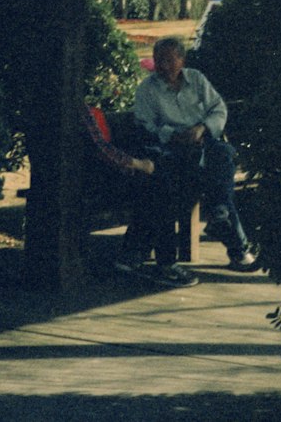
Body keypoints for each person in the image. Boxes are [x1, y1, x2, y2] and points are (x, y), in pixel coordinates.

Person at [133, 36, 260, 272]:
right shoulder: (148, 89)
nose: (163, 66)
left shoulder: (196, 79)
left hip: (203, 142)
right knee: (210, 183)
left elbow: (218, 108)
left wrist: (202, 128)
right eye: (159, 60)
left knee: (222, 154)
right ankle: (238, 247)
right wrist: (172, 134)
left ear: (182, 60)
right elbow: (144, 124)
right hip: (172, 150)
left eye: (169, 60)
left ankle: (221, 215)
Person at [81, 103, 197, 287]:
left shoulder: (80, 109)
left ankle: (133, 253)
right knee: (160, 191)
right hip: (98, 180)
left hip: (107, 174)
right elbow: (101, 148)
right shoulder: (79, 111)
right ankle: (164, 262)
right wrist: (137, 163)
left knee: (162, 186)